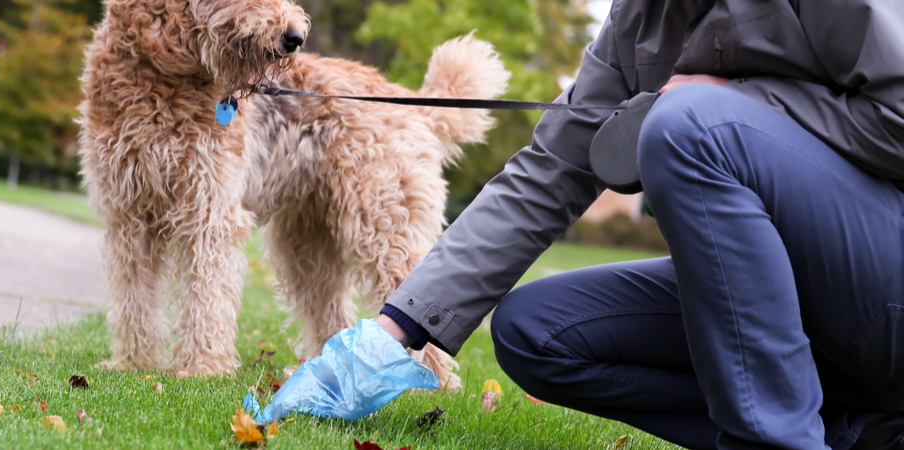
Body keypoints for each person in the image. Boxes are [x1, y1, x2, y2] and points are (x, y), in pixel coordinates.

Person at [369, 0, 904, 449]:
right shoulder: (638, 19)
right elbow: (549, 170)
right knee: (535, 331)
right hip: (800, 315)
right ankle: (857, 433)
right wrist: (393, 331)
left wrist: (734, 100)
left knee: (688, 123)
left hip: (882, 289)